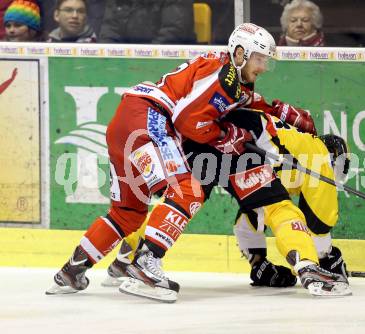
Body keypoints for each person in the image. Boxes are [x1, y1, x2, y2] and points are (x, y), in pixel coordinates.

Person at [46, 23, 349, 301]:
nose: (264, 66)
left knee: (127, 214)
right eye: (260, 58)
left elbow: (234, 101)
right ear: (241, 53)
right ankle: (144, 264)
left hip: (127, 122)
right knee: (187, 190)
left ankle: (71, 272)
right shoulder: (225, 76)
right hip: (150, 118)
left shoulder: (229, 75)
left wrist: (279, 110)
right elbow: (186, 118)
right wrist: (223, 134)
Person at [103, 109, 349, 291]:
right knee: (279, 208)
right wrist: (325, 255)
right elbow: (320, 219)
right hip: (242, 148)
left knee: (183, 200)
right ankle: (307, 268)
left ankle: (126, 257)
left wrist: (258, 262)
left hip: (212, 138)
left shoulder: (294, 141)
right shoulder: (318, 156)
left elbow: (248, 219)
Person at [98, 0, 196, 44]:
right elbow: (110, 30)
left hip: (168, 59)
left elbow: (174, 31)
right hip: (127, 59)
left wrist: (145, 55)